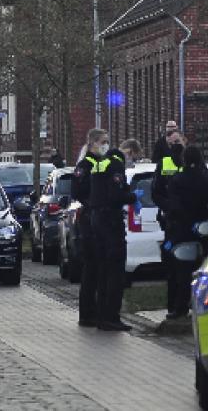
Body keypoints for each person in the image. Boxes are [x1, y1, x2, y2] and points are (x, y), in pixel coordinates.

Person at [160, 146, 208, 324]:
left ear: (184, 160)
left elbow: (174, 207)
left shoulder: (176, 181)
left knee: (182, 272)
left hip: (182, 231)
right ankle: (205, 305)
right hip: (203, 231)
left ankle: (180, 308)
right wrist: (203, 219)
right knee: (205, 270)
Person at [88, 142, 137, 331]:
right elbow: (115, 195)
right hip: (111, 221)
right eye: (132, 157)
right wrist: (132, 197)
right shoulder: (116, 165)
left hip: (97, 220)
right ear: (128, 153)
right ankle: (112, 317)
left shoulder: (100, 164)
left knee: (102, 270)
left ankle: (101, 316)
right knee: (116, 270)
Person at [71, 128, 109, 328]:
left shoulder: (101, 163)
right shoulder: (85, 165)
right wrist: (91, 201)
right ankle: (87, 314)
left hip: (98, 219)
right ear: (93, 143)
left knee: (97, 268)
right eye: (103, 142)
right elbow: (76, 191)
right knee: (91, 268)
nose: (106, 145)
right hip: (89, 220)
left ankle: (95, 311)